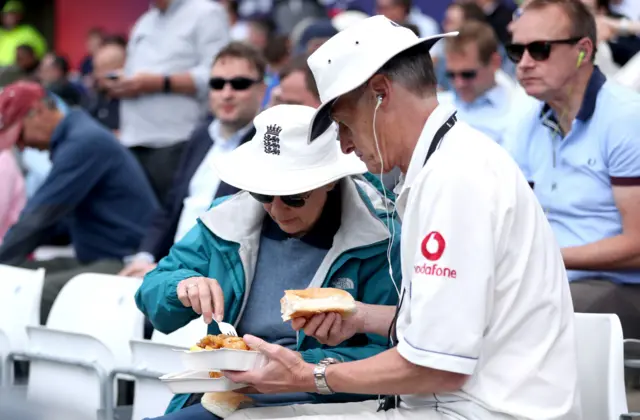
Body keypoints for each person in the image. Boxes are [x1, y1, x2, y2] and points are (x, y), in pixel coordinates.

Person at [220, 15, 581, 420]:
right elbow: (458, 326)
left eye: (342, 123)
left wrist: (309, 376)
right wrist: (360, 317)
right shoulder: (453, 162)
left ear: (380, 93)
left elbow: (437, 366)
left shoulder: (453, 178)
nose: (343, 143)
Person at [136, 104, 401, 419]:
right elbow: (150, 296)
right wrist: (179, 287)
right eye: (262, 193)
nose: (276, 209)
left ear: (330, 182)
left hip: (328, 404)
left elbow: (397, 355)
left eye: (293, 196)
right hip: (230, 395)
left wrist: (302, 367)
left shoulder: (381, 236)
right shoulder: (226, 218)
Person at [506, 0, 640, 338]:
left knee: (532, 318)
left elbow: (638, 244)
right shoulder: (526, 123)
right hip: (553, 279)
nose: (524, 64)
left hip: (618, 288)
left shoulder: (626, 118)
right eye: (516, 51)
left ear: (583, 50)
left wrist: (546, 256)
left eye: (539, 50)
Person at [0, 81, 158, 324]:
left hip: (124, 260)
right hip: (98, 255)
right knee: (13, 276)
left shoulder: (83, 142)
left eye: (19, 133)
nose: (21, 145)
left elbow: (40, 217)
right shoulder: (78, 135)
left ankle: (25, 363)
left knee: (28, 294)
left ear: (39, 110)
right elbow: (50, 219)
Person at [120, 42, 267, 279]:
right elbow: (170, 210)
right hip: (167, 268)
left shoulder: (267, 145)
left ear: (261, 89)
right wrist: (144, 257)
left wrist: (167, 271)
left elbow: (240, 234)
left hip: (212, 278)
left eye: (239, 84)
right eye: (217, 84)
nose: (226, 93)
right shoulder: (200, 137)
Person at [109, 0, 230, 203]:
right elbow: (134, 72)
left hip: (175, 142)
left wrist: (160, 82)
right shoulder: (145, 21)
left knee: (169, 221)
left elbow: (220, 74)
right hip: (133, 140)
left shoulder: (207, 13)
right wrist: (120, 82)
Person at [438, 21, 514, 145]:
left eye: (468, 74)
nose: (459, 83)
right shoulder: (438, 107)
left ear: (495, 62)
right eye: (451, 75)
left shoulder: (522, 109)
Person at [0, 1, 46, 67]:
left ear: (20, 16)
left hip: (20, 70)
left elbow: (40, 51)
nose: (11, 17)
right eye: (8, 14)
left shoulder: (28, 31)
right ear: (2, 16)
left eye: (14, 14)